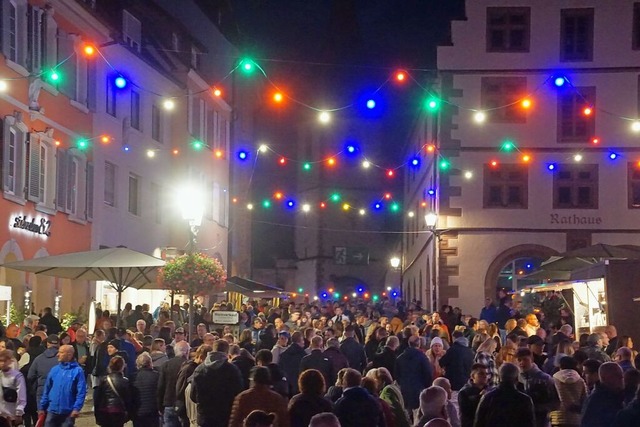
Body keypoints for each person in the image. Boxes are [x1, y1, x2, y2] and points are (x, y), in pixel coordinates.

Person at [191, 339, 244, 427]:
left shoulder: (199, 369)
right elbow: (239, 392)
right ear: (227, 352)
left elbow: (193, 395)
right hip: (225, 417)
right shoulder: (232, 370)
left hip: (205, 417)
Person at [38, 345, 87, 427]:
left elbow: (81, 391)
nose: (57, 355)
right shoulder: (54, 370)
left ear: (69, 354)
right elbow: (47, 389)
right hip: (52, 411)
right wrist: (42, 407)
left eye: (61, 352)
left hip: (68, 412)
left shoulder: (77, 371)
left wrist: (76, 408)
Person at [474, 363, 535, 427]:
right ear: (517, 378)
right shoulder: (525, 400)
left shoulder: (487, 398)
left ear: (500, 377)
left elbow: (478, 423)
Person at [516, 347, 557, 427]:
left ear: (531, 359)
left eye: (525, 359)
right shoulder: (516, 378)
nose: (522, 363)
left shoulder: (544, 379)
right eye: (519, 360)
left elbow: (555, 402)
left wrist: (537, 408)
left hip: (540, 421)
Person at [395, 335, 433, 420]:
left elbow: (397, 374)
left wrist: (402, 383)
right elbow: (428, 373)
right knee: (418, 415)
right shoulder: (422, 357)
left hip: (405, 389)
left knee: (408, 414)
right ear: (418, 344)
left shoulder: (400, 358)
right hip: (419, 389)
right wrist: (427, 386)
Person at [176, 345, 212, 427]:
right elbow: (180, 391)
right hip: (188, 412)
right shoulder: (189, 369)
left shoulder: (195, 369)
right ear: (201, 357)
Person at [580, 362, 624, 427]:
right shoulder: (597, 400)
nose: (621, 378)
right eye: (617, 375)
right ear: (606, 378)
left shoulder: (619, 395)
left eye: (621, 375)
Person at [158, 340, 190, 427]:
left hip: (168, 403)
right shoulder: (189, 366)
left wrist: (160, 405)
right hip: (184, 405)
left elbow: (161, 386)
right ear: (187, 352)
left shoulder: (166, 365)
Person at [94, 356, 132, 427]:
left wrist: (97, 415)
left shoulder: (104, 380)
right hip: (119, 412)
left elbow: (98, 399)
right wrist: (128, 415)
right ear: (122, 367)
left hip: (105, 412)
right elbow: (128, 400)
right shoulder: (125, 381)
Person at [550, 356, 587, 427]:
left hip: (557, 417)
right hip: (576, 418)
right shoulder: (580, 380)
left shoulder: (554, 379)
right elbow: (585, 398)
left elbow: (551, 398)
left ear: (560, 366)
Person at [27, 334, 59, 407]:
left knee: (42, 415)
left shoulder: (38, 359)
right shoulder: (64, 359)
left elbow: (30, 376)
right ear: (59, 344)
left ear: (47, 344)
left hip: (42, 391)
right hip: (59, 392)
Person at [131, 352, 159, 427]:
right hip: (152, 411)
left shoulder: (132, 377)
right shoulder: (156, 375)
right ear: (150, 363)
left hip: (137, 412)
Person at [0, 349, 27, 426]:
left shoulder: (17, 377)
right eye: (0, 361)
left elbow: (21, 396)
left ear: (10, 361)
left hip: (11, 416)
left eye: (5, 361)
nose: (2, 363)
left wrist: (19, 413)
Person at [278, 331, 306, 396]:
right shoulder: (303, 355)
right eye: (302, 340)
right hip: (299, 386)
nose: (304, 342)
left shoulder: (284, 355)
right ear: (300, 340)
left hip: (287, 386)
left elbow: (280, 370)